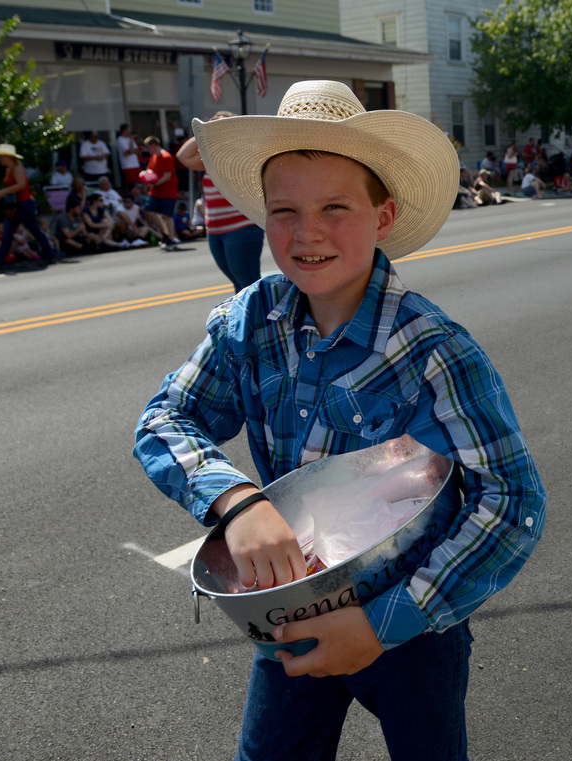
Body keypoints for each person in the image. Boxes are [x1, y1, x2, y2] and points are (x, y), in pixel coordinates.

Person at [132, 79, 546, 761]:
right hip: (290, 606)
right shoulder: (251, 323)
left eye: (335, 207)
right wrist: (238, 503)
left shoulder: (434, 349)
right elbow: (164, 418)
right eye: (284, 210)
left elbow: (513, 500)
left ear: (383, 217)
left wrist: (385, 622)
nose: (308, 231)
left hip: (412, 624)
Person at [175, 112, 266, 292]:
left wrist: (226, 127)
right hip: (215, 232)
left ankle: (260, 320)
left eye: (221, 125)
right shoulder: (211, 159)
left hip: (241, 229)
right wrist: (204, 130)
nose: (216, 128)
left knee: (249, 285)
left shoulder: (242, 155)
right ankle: (246, 320)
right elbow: (182, 156)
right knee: (238, 286)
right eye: (214, 124)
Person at [0, 143, 59, 265]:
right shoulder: (9, 170)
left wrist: (3, 191)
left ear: (7, 156)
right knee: (8, 233)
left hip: (25, 204)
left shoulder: (18, 168)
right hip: (14, 206)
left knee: (35, 230)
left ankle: (49, 254)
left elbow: (21, 185)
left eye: (1, 156)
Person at [140, 135, 179, 250]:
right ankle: (165, 233)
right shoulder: (154, 157)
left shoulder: (166, 156)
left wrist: (155, 183)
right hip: (156, 191)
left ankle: (170, 238)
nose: (148, 150)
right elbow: (150, 171)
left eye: (148, 147)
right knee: (149, 209)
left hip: (168, 191)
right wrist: (146, 177)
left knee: (167, 215)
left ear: (154, 145)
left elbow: (168, 175)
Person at [116, 123, 142, 189]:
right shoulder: (120, 140)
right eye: (129, 129)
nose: (130, 131)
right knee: (132, 184)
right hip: (128, 166)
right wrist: (131, 141)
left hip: (136, 164)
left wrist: (131, 151)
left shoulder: (129, 139)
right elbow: (129, 151)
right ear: (125, 130)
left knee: (141, 182)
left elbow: (138, 151)